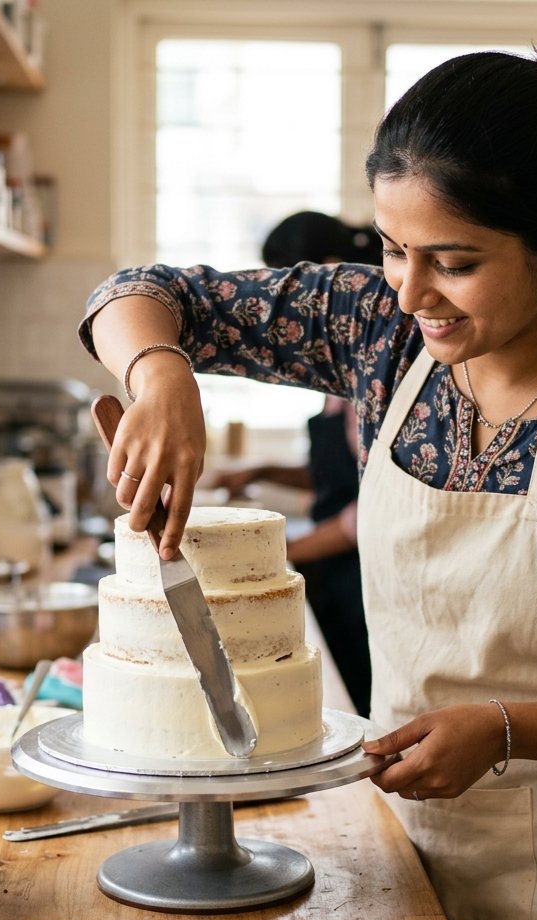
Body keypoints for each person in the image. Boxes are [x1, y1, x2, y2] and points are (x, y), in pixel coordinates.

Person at [78, 36, 537, 920]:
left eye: (454, 262)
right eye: (394, 249)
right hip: (402, 851)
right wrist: (160, 376)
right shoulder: (378, 333)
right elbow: (136, 294)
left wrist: (505, 730)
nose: (408, 289)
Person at [214, 211, 379, 716]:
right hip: (333, 570)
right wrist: (262, 471)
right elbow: (336, 473)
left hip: (359, 580)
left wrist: (283, 553)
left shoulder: (372, 369)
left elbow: (372, 508)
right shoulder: (343, 372)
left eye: (286, 284)